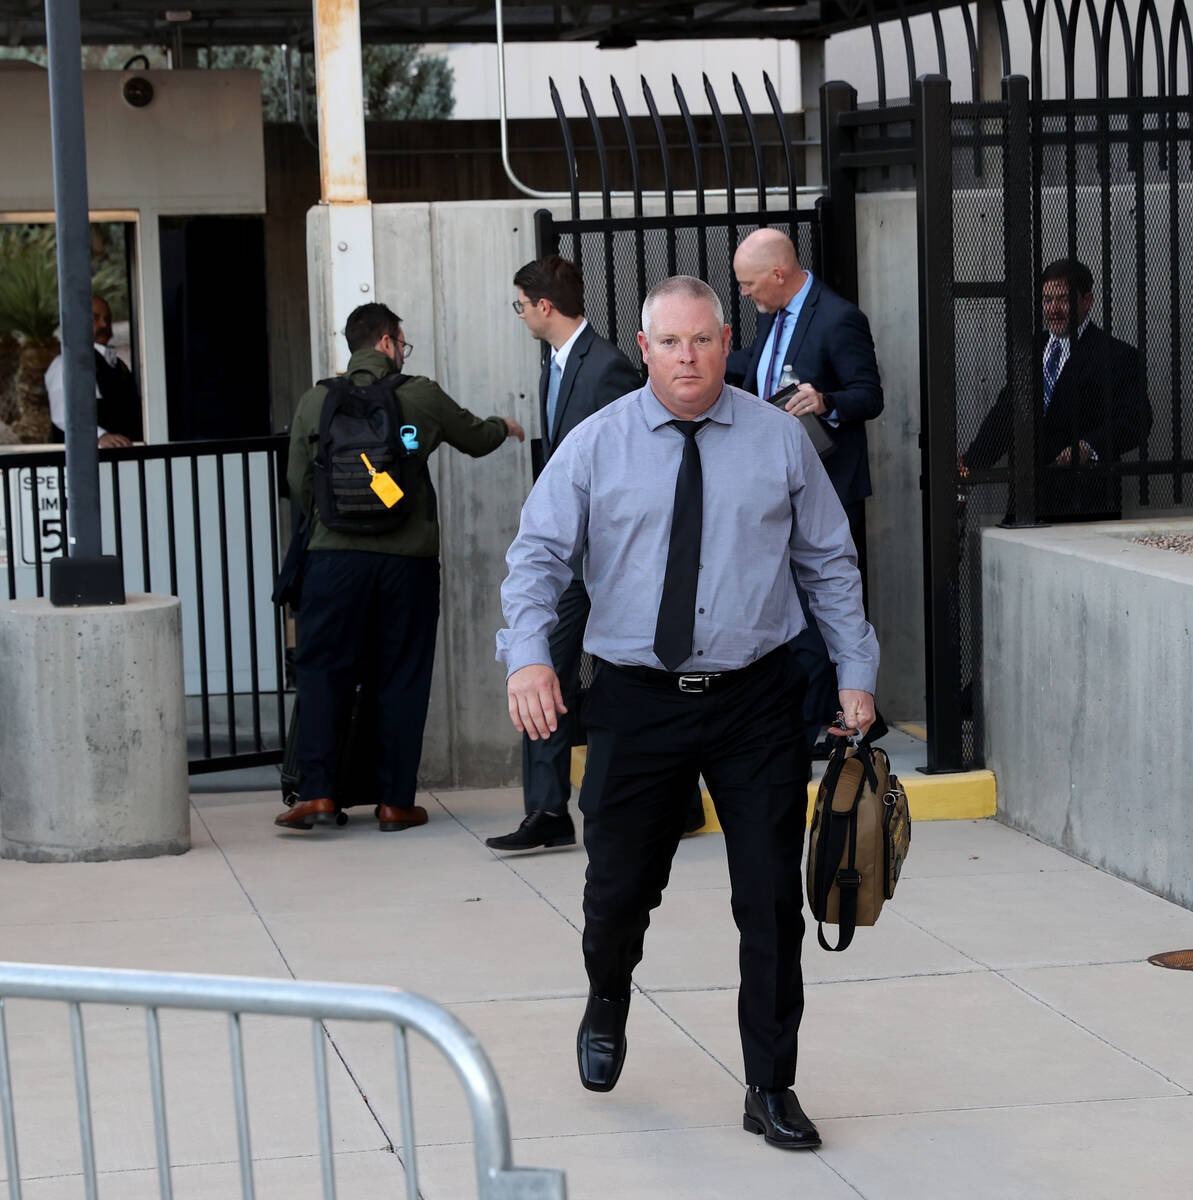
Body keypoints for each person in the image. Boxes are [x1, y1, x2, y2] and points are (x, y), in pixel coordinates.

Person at [497, 276, 879, 1150]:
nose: (687, 358)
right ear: (644, 347)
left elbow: (828, 560)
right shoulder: (595, 445)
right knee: (618, 890)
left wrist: (856, 670)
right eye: (669, 343)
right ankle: (606, 995)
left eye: (703, 340)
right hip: (636, 699)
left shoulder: (780, 441)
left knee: (769, 904)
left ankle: (768, 1084)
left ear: (724, 342)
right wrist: (526, 657)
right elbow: (537, 560)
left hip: (755, 698)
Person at [278, 302, 525, 832]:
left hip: (333, 561)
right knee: (402, 676)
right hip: (406, 565)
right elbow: (476, 440)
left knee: (323, 673)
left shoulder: (316, 400)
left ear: (354, 345)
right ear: (389, 343)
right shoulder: (420, 394)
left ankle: (318, 794)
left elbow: (299, 483)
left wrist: (335, 522)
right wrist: (501, 426)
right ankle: (394, 802)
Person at [486, 255, 642, 853]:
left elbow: (633, 461)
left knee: (620, 678)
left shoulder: (606, 368)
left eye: (521, 305)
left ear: (543, 306)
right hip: (567, 558)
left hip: (602, 560)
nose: (520, 315)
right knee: (544, 669)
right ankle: (548, 811)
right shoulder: (557, 364)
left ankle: (661, 799)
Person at [728, 228, 883, 753]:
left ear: (778, 274)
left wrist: (825, 400)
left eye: (749, 284)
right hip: (780, 480)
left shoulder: (839, 318)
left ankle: (820, 720)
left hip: (830, 482)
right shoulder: (772, 313)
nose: (745, 293)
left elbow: (869, 395)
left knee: (824, 603)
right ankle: (807, 715)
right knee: (792, 602)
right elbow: (756, 367)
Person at [959, 258, 1149, 521]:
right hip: (1028, 503)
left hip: (1084, 505)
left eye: (1063, 299)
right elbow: (1005, 415)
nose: (1054, 309)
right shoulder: (1031, 349)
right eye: (1047, 300)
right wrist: (970, 467)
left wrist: (1088, 447)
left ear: (1087, 300)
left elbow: (1137, 420)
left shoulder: (1117, 356)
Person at [44, 296, 143, 447]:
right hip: (90, 463)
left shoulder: (118, 364)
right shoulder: (67, 364)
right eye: (95, 318)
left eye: (108, 318)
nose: (104, 324)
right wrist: (100, 436)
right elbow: (63, 414)